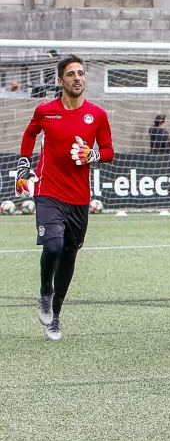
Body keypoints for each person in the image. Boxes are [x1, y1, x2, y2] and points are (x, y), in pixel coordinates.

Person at [18, 54, 114, 341]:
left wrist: (92, 154)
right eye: (71, 73)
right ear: (61, 81)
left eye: (81, 73)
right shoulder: (45, 111)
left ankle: (56, 316)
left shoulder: (97, 115)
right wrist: (24, 163)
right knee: (54, 245)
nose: (77, 77)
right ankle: (45, 291)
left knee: (70, 254)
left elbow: (108, 151)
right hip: (48, 191)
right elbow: (29, 134)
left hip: (79, 198)